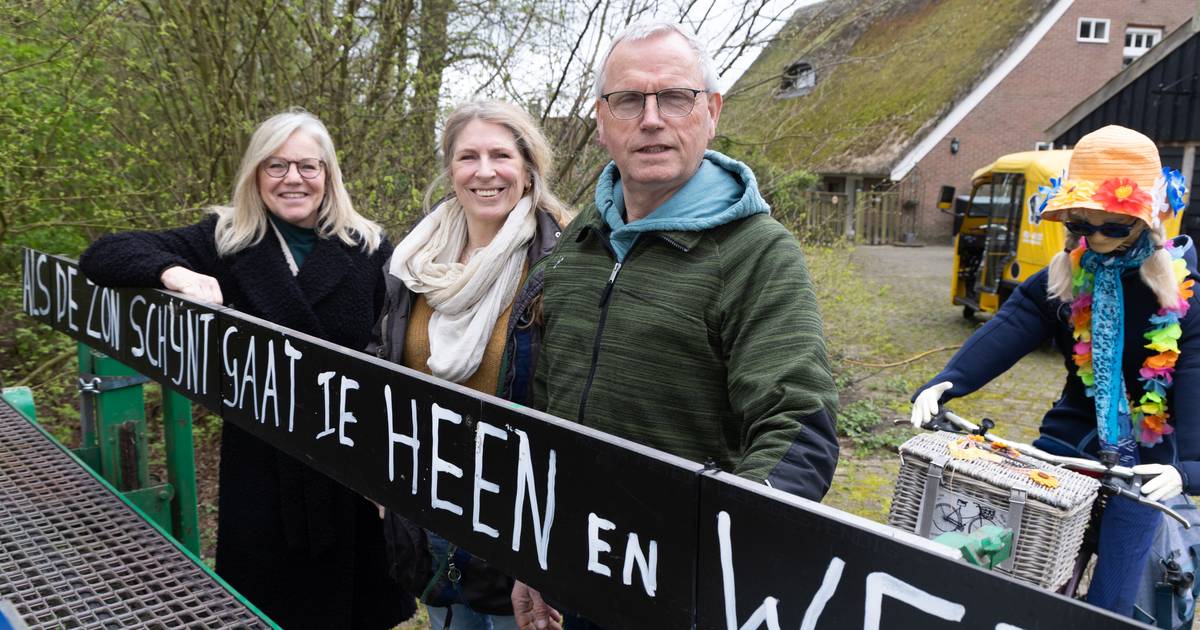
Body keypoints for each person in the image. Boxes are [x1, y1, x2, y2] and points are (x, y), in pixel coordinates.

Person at [512, 20, 840, 630]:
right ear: (601, 120)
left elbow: (798, 428)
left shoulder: (756, 253)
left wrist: (719, 562)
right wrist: (535, 550)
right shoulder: (578, 245)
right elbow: (545, 408)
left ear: (711, 112)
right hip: (578, 569)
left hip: (682, 593)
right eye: (628, 100)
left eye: (675, 97)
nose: (651, 119)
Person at [79, 109, 412, 629]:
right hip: (260, 469)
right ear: (256, 174)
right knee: (265, 609)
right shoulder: (227, 240)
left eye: (307, 166)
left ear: (328, 174)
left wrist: (390, 474)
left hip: (348, 466)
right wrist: (173, 272)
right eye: (276, 165)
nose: (293, 178)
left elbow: (395, 354)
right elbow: (104, 254)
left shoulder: (368, 247)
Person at [909, 125, 1197, 618]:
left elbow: (1194, 372)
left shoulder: (1184, 293)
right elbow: (1013, 324)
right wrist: (945, 384)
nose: (1095, 238)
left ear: (1146, 223)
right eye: (1081, 226)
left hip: (1146, 464)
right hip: (1069, 440)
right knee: (1014, 567)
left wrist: (1187, 467)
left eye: (1112, 227)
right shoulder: (1068, 273)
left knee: (1114, 596)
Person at [373, 100, 570, 630]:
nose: (485, 172)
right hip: (428, 501)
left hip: (518, 518)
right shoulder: (415, 260)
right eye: (468, 157)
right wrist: (377, 478)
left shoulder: (563, 262)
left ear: (528, 168)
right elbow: (382, 362)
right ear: (450, 168)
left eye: (501, 155)